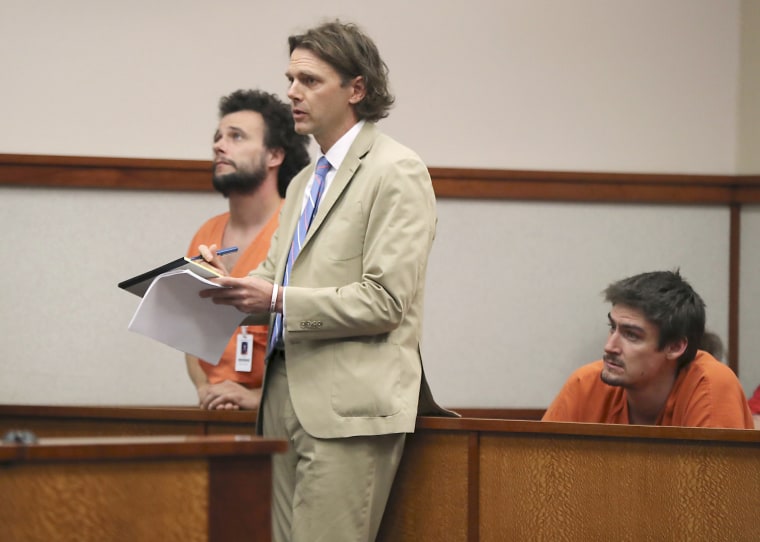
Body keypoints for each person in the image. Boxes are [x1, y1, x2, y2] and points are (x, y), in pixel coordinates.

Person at [198, 20, 452, 542]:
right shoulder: (302, 180)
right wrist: (221, 284)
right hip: (280, 399)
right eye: (290, 78)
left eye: (310, 81)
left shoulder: (396, 170)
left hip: (347, 410)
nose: (292, 92)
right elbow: (271, 282)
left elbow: (385, 302)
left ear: (356, 89)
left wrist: (275, 297)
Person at [185, 89, 309, 411]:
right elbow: (190, 332)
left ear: (274, 156)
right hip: (213, 409)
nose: (219, 145)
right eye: (218, 137)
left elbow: (312, 329)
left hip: (283, 417)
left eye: (236, 137)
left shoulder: (299, 229)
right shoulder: (206, 232)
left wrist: (257, 399)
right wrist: (206, 390)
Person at [542, 270, 753, 429]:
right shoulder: (585, 384)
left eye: (631, 335)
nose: (609, 346)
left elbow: (711, 486)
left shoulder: (710, 385)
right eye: (612, 327)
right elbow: (539, 473)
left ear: (675, 346)